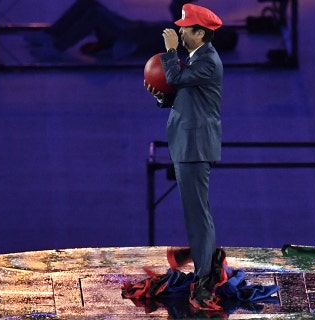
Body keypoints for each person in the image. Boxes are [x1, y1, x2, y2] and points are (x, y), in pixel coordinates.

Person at [144, 3, 224, 311]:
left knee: (197, 214)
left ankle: (205, 278)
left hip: (195, 146)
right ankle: (207, 260)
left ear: (200, 33)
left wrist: (169, 52)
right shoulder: (195, 59)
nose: (179, 32)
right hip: (186, 143)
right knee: (195, 212)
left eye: (185, 29)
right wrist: (161, 95)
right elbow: (181, 93)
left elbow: (177, 78)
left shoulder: (208, 62)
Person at [24, 0, 237, 61]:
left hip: (133, 37)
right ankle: (50, 35)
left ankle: (57, 46)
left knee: (94, 15)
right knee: (88, 4)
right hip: (134, 28)